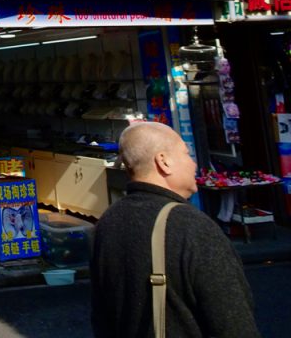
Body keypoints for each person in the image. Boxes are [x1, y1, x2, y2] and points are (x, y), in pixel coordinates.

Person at [90, 121, 261, 338]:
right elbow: (233, 324)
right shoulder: (192, 226)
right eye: (187, 154)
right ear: (164, 161)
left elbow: (101, 318)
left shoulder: (106, 223)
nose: (194, 164)